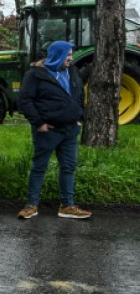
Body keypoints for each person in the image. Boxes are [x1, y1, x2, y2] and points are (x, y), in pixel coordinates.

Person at [15, 41, 92, 219]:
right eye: (68, 55)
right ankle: (31, 205)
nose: (70, 59)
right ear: (57, 55)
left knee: (68, 167)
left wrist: (79, 116)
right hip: (48, 131)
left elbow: (79, 93)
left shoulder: (71, 71)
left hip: (70, 130)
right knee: (39, 166)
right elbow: (24, 101)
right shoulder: (35, 75)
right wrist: (39, 123)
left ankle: (67, 205)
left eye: (71, 55)